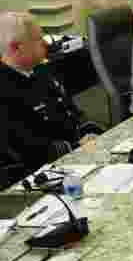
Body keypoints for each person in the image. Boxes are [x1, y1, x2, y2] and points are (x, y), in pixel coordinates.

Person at [0, 12, 103, 177]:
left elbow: (71, 112)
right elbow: (27, 150)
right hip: (45, 172)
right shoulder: (5, 90)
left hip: (79, 157)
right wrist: (77, 146)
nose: (45, 44)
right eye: (37, 40)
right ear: (16, 47)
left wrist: (89, 133)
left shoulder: (41, 70)